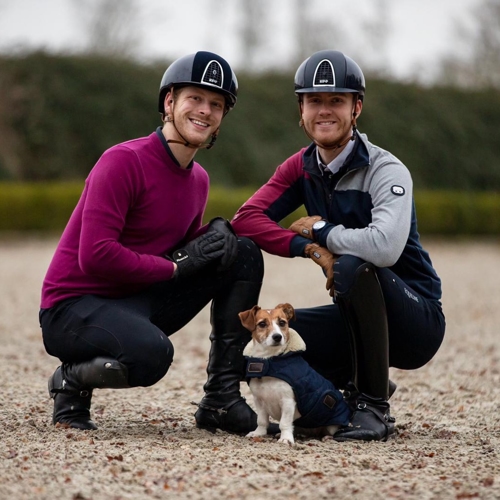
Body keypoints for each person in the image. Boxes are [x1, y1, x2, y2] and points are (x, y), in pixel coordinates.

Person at [40, 51, 270, 435]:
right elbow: (96, 256)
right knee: (152, 355)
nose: (205, 110)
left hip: (136, 297)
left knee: (241, 252)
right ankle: (70, 381)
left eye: (216, 104)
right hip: (72, 307)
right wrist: (175, 267)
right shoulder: (122, 161)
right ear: (169, 102)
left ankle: (221, 400)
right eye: (194, 98)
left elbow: (175, 247)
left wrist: (212, 236)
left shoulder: (198, 180)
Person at [231, 49, 446, 442]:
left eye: (337, 101)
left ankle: (374, 407)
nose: (324, 111)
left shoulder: (386, 169)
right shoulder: (301, 165)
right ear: (301, 109)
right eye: (314, 101)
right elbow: (245, 220)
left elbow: (383, 249)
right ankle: (346, 388)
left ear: (356, 107)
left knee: (352, 266)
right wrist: (311, 249)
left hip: (416, 320)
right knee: (280, 338)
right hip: (356, 318)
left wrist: (323, 230)